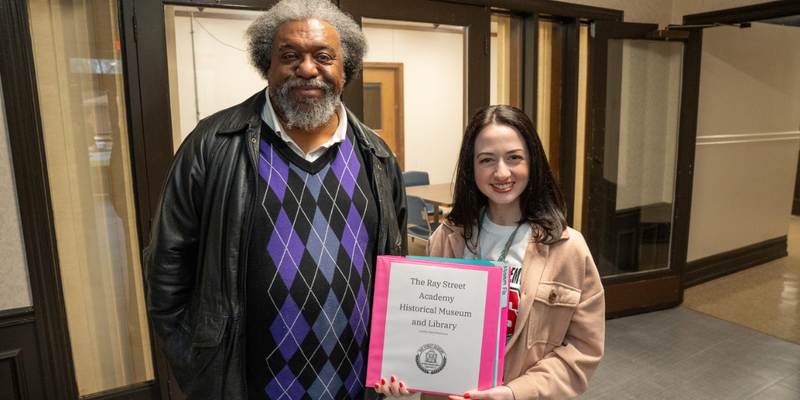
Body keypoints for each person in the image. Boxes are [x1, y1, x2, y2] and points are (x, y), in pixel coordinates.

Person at [143, 0, 407, 398]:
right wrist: (195, 362)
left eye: (323, 56)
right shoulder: (212, 145)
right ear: (266, 64)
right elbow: (167, 263)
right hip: (249, 386)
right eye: (289, 56)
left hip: (354, 383)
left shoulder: (378, 157)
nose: (306, 68)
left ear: (344, 68)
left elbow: (394, 265)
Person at [375, 105, 604, 400]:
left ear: (533, 163)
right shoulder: (446, 239)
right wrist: (403, 371)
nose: (502, 172)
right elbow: (420, 329)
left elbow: (583, 350)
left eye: (514, 158)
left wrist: (513, 393)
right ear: (472, 167)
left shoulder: (568, 249)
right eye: (487, 160)